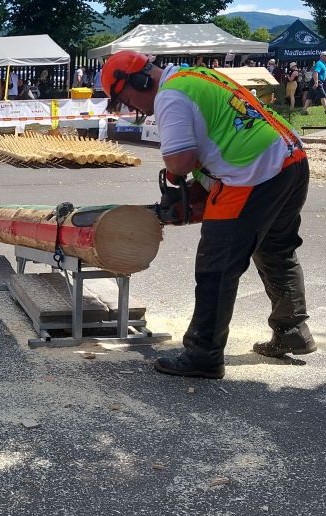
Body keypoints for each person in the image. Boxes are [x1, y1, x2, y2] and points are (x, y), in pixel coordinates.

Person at [100, 50, 314, 379]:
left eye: (126, 99)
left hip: (253, 171)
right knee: (276, 250)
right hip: (291, 159)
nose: (133, 108)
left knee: (217, 265)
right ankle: (292, 331)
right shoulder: (196, 77)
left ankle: (203, 354)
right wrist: (196, 188)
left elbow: (180, 161)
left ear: (139, 81)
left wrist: (174, 181)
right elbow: (216, 137)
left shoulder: (170, 96)